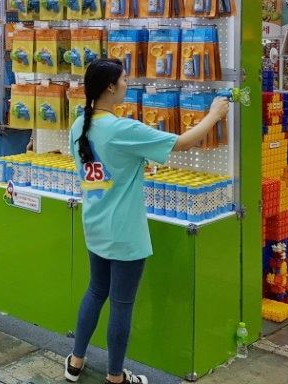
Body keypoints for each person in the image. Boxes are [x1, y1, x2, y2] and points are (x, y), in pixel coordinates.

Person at [64, 59, 229, 384]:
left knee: (95, 292)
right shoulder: (122, 129)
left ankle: (75, 362)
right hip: (125, 232)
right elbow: (182, 143)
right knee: (121, 305)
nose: (128, 84)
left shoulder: (79, 124)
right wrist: (214, 115)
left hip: (95, 225)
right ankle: (115, 377)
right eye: (124, 79)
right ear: (110, 86)